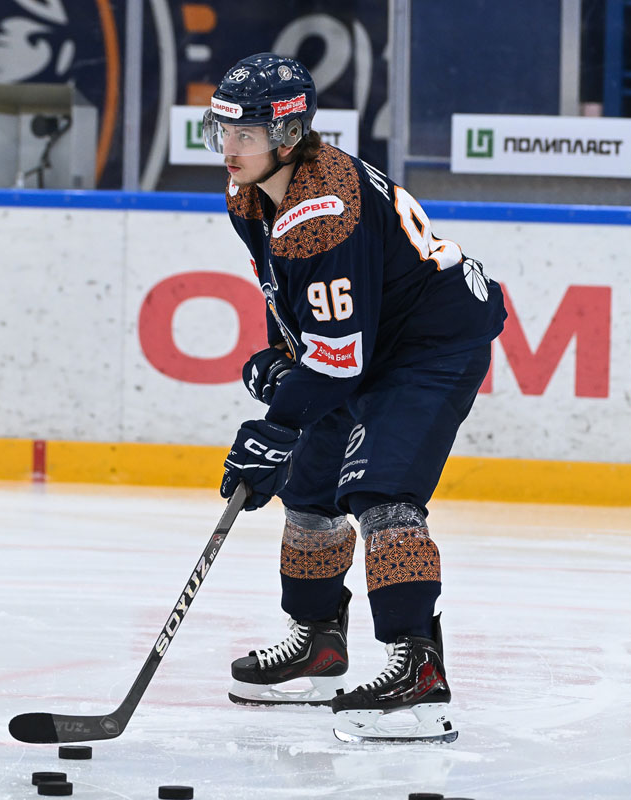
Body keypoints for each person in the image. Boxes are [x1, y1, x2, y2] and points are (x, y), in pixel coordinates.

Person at [203, 53, 506, 742]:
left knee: (382, 492)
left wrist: (276, 425)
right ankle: (318, 644)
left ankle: (419, 674)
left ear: (288, 134)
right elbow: (291, 293)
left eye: (245, 134)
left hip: (431, 346)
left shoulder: (324, 210)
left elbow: (340, 365)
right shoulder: (250, 191)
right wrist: (286, 360)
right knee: (309, 488)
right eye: (223, 131)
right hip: (367, 341)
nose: (229, 148)